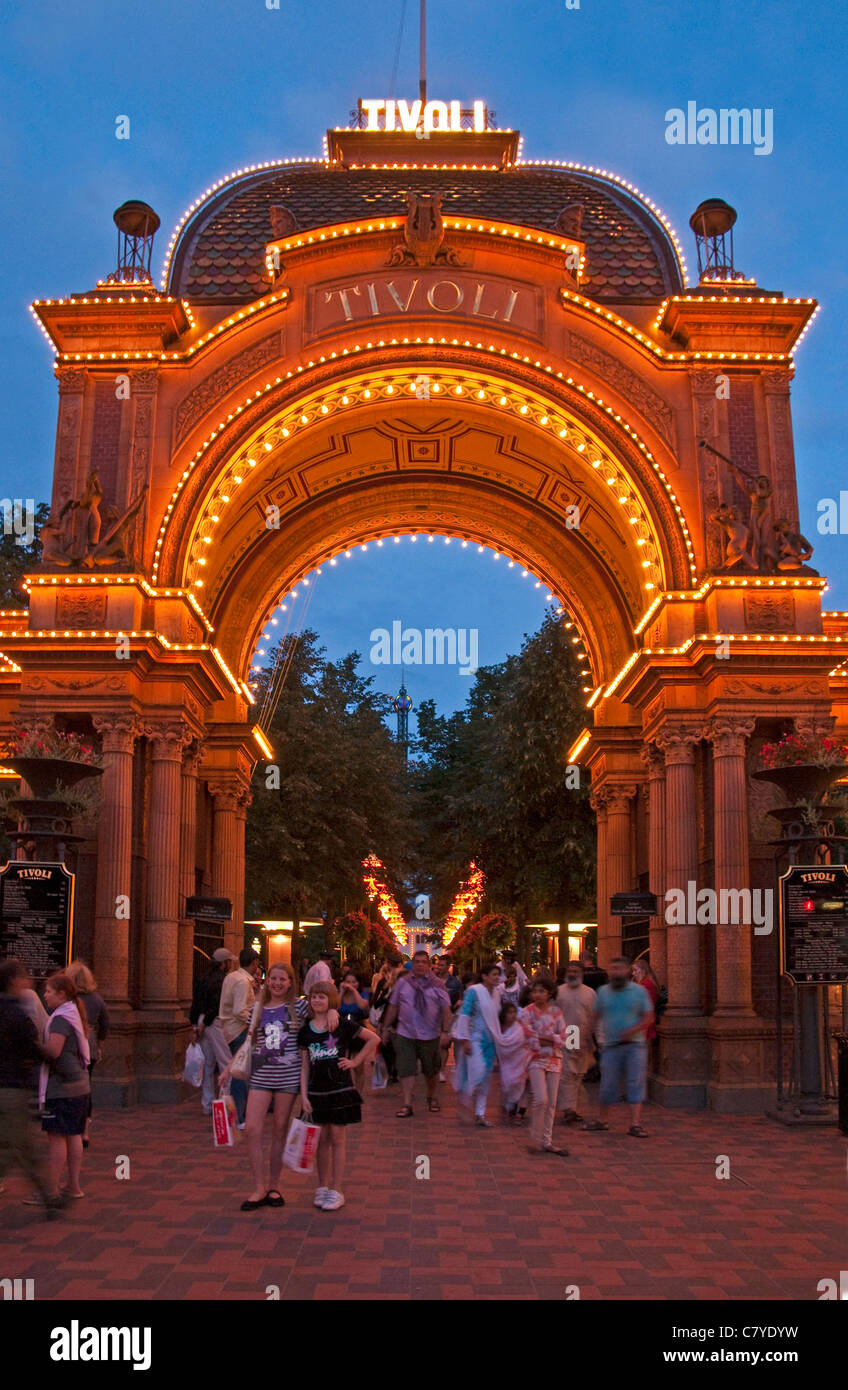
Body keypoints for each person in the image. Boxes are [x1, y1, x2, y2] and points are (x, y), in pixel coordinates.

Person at [220, 962, 309, 1211]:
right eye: (273, 979)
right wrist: (228, 1068)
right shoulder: (256, 1009)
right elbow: (249, 1041)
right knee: (251, 1129)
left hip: (287, 1076)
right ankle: (258, 1187)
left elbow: (318, 1024)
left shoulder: (299, 1007)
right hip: (260, 1074)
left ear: (291, 982)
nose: (278, 983)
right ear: (266, 980)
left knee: (280, 1129)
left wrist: (333, 1012)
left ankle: (273, 1185)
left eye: (283, 979)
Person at [299, 980, 379, 1211]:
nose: (317, 1001)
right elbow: (305, 1066)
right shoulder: (306, 1030)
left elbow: (374, 1039)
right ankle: (322, 1186)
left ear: (331, 1000)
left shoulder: (340, 1025)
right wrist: (303, 1095)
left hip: (339, 1089)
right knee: (321, 1141)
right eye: (314, 997)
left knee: (337, 1139)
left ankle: (337, 1188)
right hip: (316, 1091)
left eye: (322, 997)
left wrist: (355, 1061)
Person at [0, 959, 63, 1218]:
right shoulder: (15, 1012)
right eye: (24, 976)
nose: (29, 981)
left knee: (12, 1146)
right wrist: (54, 1061)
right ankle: (49, 1199)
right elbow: (32, 1046)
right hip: (12, 1088)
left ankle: (49, 1198)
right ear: (14, 981)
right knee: (21, 1148)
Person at [36, 970, 91, 1203]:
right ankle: (73, 1186)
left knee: (57, 1136)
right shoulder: (73, 1014)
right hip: (80, 1085)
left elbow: (53, 1052)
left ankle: (52, 1190)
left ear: (61, 994)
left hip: (62, 1087)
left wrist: (32, 1046)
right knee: (74, 1134)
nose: (44, 996)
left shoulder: (60, 1019)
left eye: (48, 991)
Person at [585, 957, 654, 1138]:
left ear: (628, 971)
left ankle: (635, 1124)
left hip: (635, 1046)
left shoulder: (639, 992)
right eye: (612, 968)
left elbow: (649, 1017)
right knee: (607, 1084)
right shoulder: (603, 992)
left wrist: (633, 1030)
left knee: (635, 1083)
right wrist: (589, 1040)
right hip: (611, 1045)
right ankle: (602, 1120)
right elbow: (595, 1016)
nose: (616, 972)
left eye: (619, 969)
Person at [381, 949, 452, 1118]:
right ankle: (407, 1103)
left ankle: (432, 1096)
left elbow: (445, 1009)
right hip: (406, 1033)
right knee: (406, 1069)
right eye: (417, 962)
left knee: (431, 1070)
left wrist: (445, 1031)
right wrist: (385, 1027)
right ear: (412, 964)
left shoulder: (437, 984)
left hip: (429, 1034)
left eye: (423, 962)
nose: (420, 965)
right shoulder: (403, 983)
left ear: (428, 965)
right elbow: (394, 1006)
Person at [519, 976, 569, 1157]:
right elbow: (528, 1036)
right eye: (535, 991)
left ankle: (546, 1140)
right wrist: (550, 1039)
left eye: (542, 991)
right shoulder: (526, 1012)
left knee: (551, 1103)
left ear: (550, 993)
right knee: (541, 1098)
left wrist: (547, 1038)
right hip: (535, 1058)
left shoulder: (556, 1012)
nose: (537, 995)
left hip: (555, 1059)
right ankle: (535, 1136)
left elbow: (563, 1037)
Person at [452, 961, 504, 1126]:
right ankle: (464, 1098)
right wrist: (465, 1039)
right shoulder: (474, 992)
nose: (497, 978)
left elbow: (496, 1017)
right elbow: (465, 1015)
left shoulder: (496, 994)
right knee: (476, 1072)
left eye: (498, 974)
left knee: (486, 1077)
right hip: (475, 1038)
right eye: (494, 975)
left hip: (490, 1041)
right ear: (484, 976)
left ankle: (480, 1113)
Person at [66, 960, 109, 1149]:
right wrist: (99, 1043)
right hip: (89, 1043)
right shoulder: (96, 999)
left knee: (66, 1084)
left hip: (68, 1042)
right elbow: (105, 1023)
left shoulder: (66, 999)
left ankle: (68, 1126)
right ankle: (84, 1130)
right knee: (86, 1085)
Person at [189, 948, 237, 1116]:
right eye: (229, 962)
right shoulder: (224, 980)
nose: (231, 965)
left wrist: (196, 1024)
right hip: (215, 1021)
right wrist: (206, 1022)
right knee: (225, 1062)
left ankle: (207, 1104)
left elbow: (195, 1003)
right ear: (224, 963)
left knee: (207, 1064)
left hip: (202, 1020)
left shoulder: (202, 978)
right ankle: (224, 1101)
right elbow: (217, 1005)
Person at [219, 948, 262, 1128]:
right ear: (253, 962)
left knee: (239, 1071)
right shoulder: (243, 982)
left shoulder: (232, 977)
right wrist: (255, 1022)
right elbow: (239, 1010)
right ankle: (240, 1117)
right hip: (239, 1030)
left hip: (229, 1029)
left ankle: (240, 1113)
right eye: (257, 963)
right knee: (239, 1073)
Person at [555, 959, 597, 1124]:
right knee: (567, 1073)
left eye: (575, 972)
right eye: (570, 971)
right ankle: (569, 1110)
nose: (572, 974)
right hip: (568, 1034)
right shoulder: (559, 992)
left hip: (583, 1035)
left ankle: (572, 1107)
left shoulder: (590, 993)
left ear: (581, 974)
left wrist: (592, 1038)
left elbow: (594, 1016)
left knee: (579, 1073)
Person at [369, 955, 402, 1083]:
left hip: (395, 1019)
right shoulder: (385, 983)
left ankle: (393, 1070)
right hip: (391, 1019)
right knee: (388, 1046)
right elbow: (378, 1000)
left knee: (390, 1046)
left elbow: (376, 1000)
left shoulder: (389, 983)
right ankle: (391, 1071)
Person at [497, 1000, 529, 1122]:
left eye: (514, 1012)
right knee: (508, 1083)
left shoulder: (519, 1027)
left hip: (519, 1060)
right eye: (509, 1012)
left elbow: (523, 1040)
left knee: (518, 1083)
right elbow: (500, 1043)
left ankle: (514, 1110)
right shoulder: (499, 1028)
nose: (513, 1015)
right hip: (506, 1062)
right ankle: (509, 1106)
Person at [432, 953, 461, 1080]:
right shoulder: (431, 980)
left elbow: (458, 999)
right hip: (432, 1016)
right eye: (438, 964)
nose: (439, 967)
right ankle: (433, 1067)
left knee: (444, 1044)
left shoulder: (454, 983)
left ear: (448, 966)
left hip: (448, 1016)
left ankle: (441, 1070)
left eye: (442, 965)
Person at [632, 959, 660, 1043]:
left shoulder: (646, 984)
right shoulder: (646, 983)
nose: (633, 973)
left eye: (635, 970)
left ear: (643, 970)